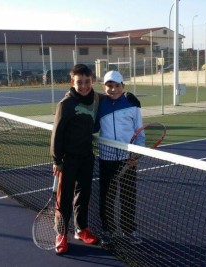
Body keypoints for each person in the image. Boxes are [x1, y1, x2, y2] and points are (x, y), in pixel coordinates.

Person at [50, 64, 99, 254]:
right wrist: (56, 160)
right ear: (73, 82)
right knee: (64, 200)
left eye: (87, 81)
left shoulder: (95, 98)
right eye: (80, 82)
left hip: (87, 157)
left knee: (83, 195)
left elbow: (113, 97)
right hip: (67, 160)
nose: (84, 86)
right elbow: (57, 134)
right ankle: (61, 234)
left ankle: (81, 229)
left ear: (92, 81)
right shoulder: (65, 104)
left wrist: (128, 96)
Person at [95, 70, 144, 246]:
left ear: (123, 86)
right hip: (106, 159)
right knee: (107, 197)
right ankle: (107, 230)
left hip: (127, 160)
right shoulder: (99, 104)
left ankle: (128, 230)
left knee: (128, 197)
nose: (113, 89)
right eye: (109, 86)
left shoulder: (133, 105)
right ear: (104, 87)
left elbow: (140, 133)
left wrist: (136, 154)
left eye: (117, 86)